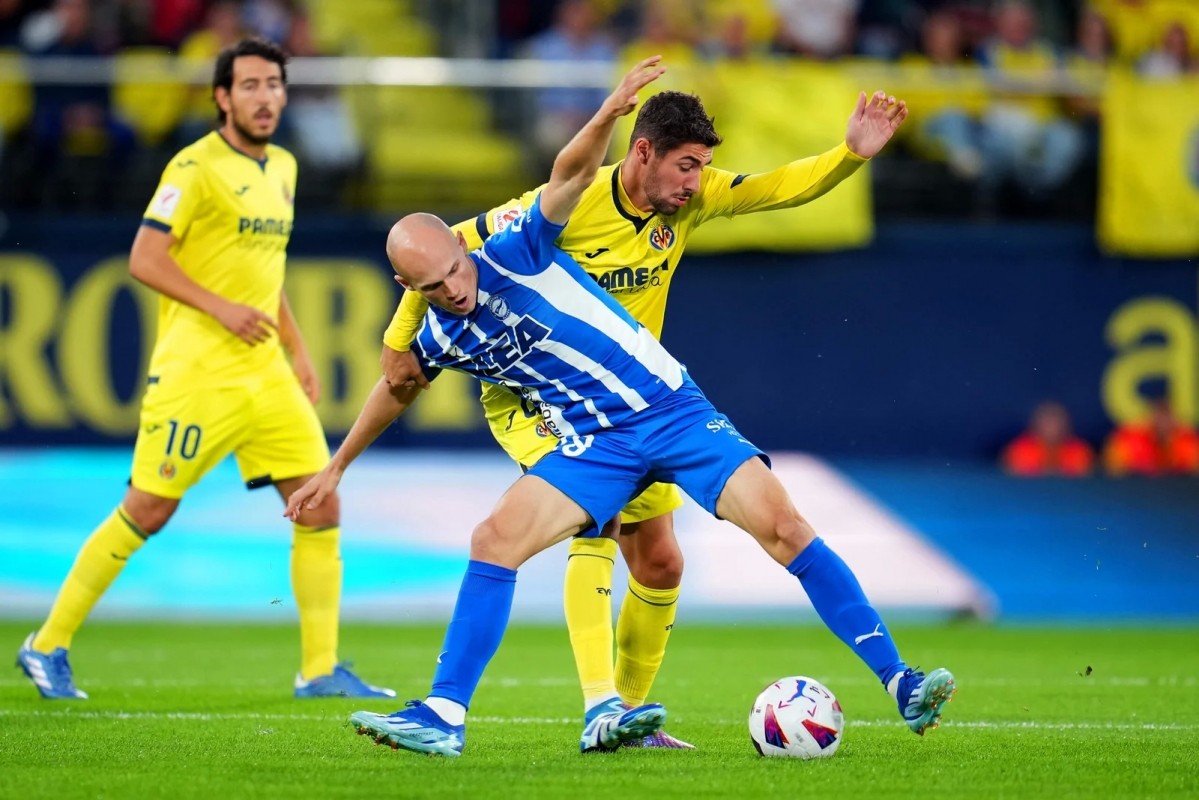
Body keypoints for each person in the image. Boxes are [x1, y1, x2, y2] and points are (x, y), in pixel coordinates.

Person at [285, 56, 955, 758]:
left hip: (664, 407)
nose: (453, 287)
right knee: (504, 540)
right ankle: (460, 713)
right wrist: (336, 467)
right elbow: (397, 379)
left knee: (757, 533)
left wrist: (847, 156)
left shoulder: (523, 245)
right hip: (577, 429)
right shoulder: (452, 309)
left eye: (454, 269)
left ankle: (898, 680)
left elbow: (574, 174)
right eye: (432, 283)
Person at [15, 37, 392, 702]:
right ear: (222, 98)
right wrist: (220, 310)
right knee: (150, 508)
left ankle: (320, 668)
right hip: (198, 373)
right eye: (249, 85)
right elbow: (144, 258)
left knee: (320, 502)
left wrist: (297, 350)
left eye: (273, 84)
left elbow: (263, 275)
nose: (265, 97)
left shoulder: (284, 168)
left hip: (264, 373)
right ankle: (45, 644)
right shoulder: (194, 167)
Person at [1103, 398, 1199, 476]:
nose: (1163, 424)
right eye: (1159, 418)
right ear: (1151, 419)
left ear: (1175, 420)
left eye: (1167, 418)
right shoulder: (1129, 439)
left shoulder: (1189, 441)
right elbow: (1112, 470)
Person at [1002, 401, 1095, 477]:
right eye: (1047, 422)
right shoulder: (1020, 449)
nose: (1052, 428)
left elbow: (1084, 477)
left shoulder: (1079, 450)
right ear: (1035, 425)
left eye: (1056, 422)